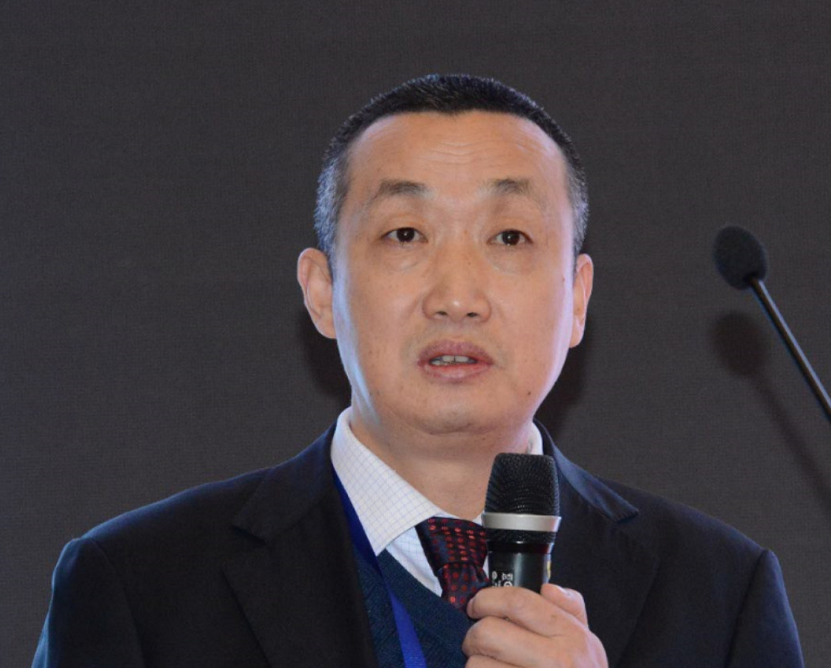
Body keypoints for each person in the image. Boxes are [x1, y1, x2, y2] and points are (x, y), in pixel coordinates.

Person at [33, 74, 804, 667]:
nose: (457, 296)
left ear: (576, 301)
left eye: (508, 237)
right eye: (405, 234)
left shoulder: (716, 593)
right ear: (322, 292)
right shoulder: (140, 585)